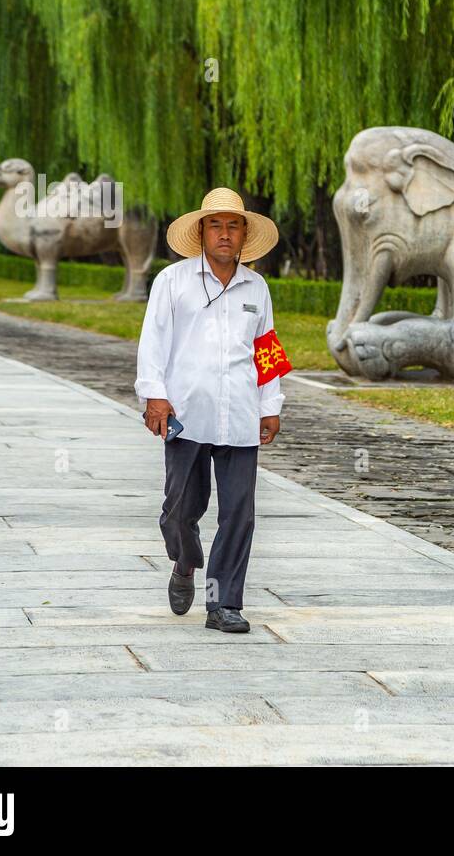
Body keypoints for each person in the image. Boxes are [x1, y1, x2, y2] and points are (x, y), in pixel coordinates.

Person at [134, 187, 284, 633]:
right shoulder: (172, 281)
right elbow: (153, 343)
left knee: (239, 511)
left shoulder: (256, 287)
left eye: (232, 225)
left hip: (240, 414)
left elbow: (267, 350)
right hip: (187, 413)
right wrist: (153, 395)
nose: (224, 234)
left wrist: (270, 404)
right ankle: (184, 561)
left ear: (243, 235)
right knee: (181, 508)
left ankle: (224, 605)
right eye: (215, 225)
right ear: (201, 232)